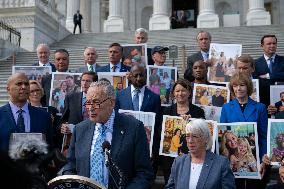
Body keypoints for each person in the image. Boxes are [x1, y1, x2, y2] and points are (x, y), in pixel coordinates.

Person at [62, 80, 154, 188]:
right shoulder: (80, 129)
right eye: (88, 102)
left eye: (96, 102)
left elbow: (144, 173)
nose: (90, 108)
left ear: (111, 103)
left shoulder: (134, 128)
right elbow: (70, 167)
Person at [220, 72, 268, 189]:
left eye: (242, 85)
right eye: (235, 86)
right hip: (233, 160)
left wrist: (263, 158)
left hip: (255, 159)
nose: (238, 88)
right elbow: (222, 135)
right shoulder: (226, 108)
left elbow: (263, 136)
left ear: (248, 87)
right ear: (232, 88)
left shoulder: (260, 107)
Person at [166, 119, 236, 189]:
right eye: (187, 136)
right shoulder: (179, 162)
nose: (190, 141)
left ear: (205, 139)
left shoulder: (221, 163)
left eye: (195, 136)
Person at [161, 79, 205, 183]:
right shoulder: (166, 111)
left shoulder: (198, 111)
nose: (180, 93)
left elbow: (204, 132)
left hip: (192, 156)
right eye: (177, 91)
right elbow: (161, 133)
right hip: (170, 159)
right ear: (173, 93)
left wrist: (192, 121)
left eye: (183, 90)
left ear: (189, 92)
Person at [115, 65, 161, 161]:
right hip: (125, 143)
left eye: (141, 75)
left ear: (146, 76)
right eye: (136, 76)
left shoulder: (154, 97)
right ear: (130, 76)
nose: (139, 78)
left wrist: (153, 148)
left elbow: (156, 125)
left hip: (145, 144)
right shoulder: (120, 95)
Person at [0, 73, 53, 152]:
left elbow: (50, 147)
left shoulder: (44, 116)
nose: (24, 87)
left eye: (26, 84)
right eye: (19, 84)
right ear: (8, 89)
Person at [60, 72, 98, 155]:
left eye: (88, 81)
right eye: (83, 80)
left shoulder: (100, 100)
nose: (84, 83)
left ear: (95, 83)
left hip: (94, 141)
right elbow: (63, 120)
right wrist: (63, 127)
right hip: (74, 142)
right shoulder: (71, 97)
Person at [28, 80, 61, 149]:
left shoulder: (52, 110)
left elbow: (58, 133)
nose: (35, 93)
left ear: (41, 91)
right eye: (32, 91)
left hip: (49, 148)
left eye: (37, 90)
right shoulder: (23, 111)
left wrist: (51, 124)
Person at [253, 35, 284, 107]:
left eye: (274, 43)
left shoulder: (283, 60)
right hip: (262, 101)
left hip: (280, 100)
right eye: (269, 44)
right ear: (262, 46)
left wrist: (269, 76)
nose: (272, 46)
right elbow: (255, 80)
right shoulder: (255, 63)